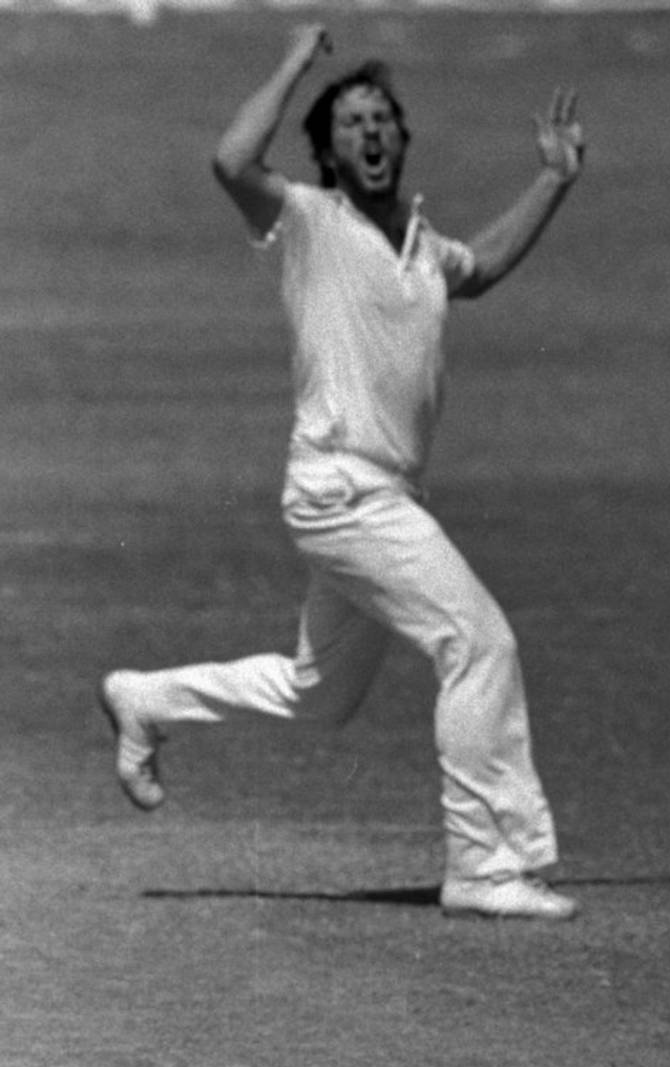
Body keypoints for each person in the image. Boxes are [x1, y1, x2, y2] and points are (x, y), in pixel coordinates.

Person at [99, 25, 584, 921]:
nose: (370, 133)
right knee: (479, 644)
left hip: (382, 494)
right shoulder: (309, 222)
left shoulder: (426, 246)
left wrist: (553, 179)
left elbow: (481, 268)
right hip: (339, 489)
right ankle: (485, 865)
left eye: (382, 120)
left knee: (317, 694)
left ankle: (148, 700)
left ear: (401, 139)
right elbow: (230, 160)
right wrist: (292, 62)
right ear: (327, 150)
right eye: (351, 122)